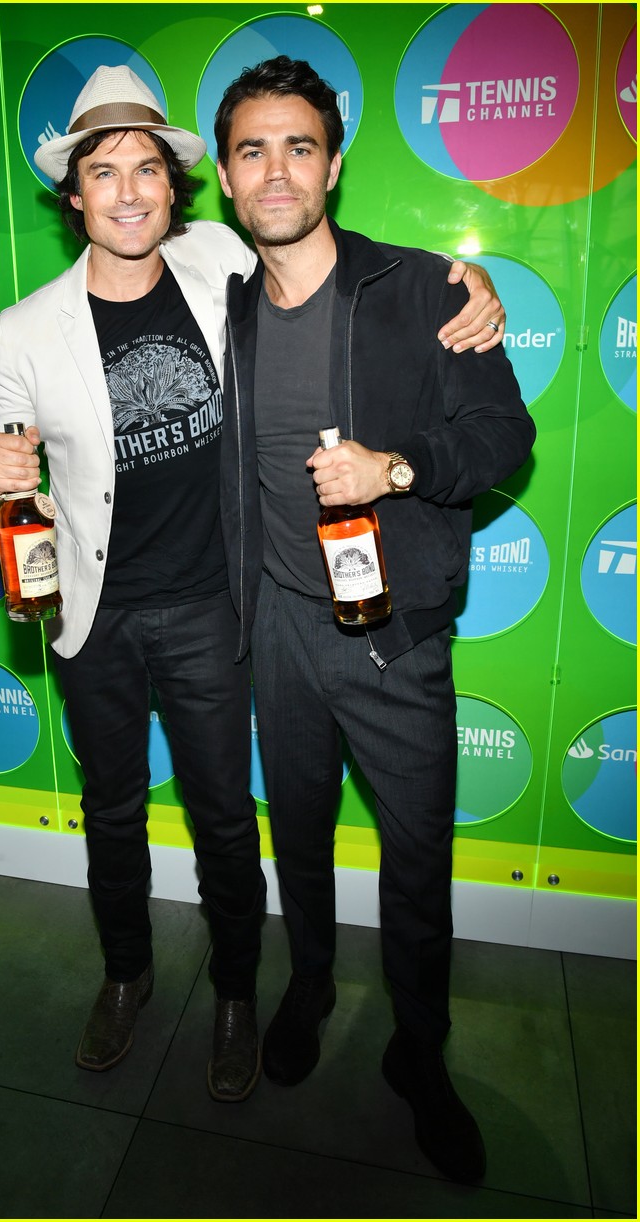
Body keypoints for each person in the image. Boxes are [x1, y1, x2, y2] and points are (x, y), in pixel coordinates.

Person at [0, 64, 508, 1108]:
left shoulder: (223, 264)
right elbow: (0, 456)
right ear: (72, 195)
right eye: (101, 172)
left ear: (179, 187)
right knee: (120, 812)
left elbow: (352, 286)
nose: (127, 192)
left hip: (229, 613)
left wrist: (468, 286)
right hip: (108, 618)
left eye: (146, 170)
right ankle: (133, 975)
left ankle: (264, 1004)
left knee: (237, 823)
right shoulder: (26, 328)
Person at [214, 56, 535, 1179]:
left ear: (335, 164)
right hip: (281, 644)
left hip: (395, 639)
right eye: (252, 148)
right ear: (223, 174)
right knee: (295, 836)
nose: (277, 169)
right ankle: (304, 984)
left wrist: (395, 471)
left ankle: (421, 1051)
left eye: (298, 145)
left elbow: (507, 441)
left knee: (414, 861)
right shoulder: (223, 303)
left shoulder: (426, 290)